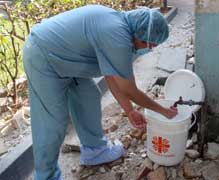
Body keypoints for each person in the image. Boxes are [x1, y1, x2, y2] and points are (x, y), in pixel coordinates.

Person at [23, 4, 177, 180]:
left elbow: (112, 75)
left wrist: (129, 111)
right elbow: (130, 90)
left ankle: (95, 151)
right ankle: (45, 176)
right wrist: (164, 111)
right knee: (52, 122)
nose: (150, 49)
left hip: (68, 58)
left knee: (88, 96)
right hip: (43, 56)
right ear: (139, 35)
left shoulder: (120, 26)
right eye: (149, 45)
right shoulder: (117, 35)